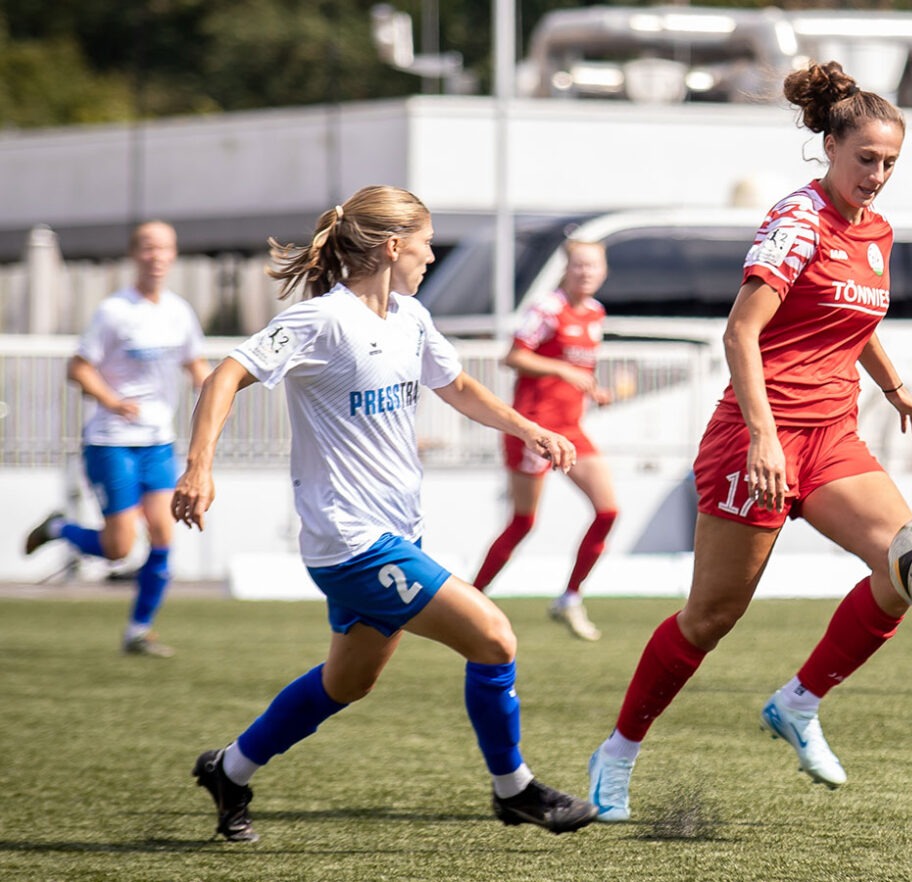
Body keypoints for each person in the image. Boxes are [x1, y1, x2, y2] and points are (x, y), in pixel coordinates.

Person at [172, 186, 596, 843]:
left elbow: (455, 385)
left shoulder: (409, 316)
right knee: (494, 638)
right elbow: (226, 373)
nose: (430, 257)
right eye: (426, 245)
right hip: (350, 540)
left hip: (396, 531)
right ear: (395, 246)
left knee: (347, 683)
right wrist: (199, 466)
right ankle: (514, 790)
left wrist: (528, 428)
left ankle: (230, 768)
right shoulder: (325, 321)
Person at [583, 61, 912, 824]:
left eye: (890, 164)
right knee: (710, 618)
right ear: (832, 147)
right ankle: (617, 751)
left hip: (833, 438)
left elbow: (855, 320)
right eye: (866, 159)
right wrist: (763, 440)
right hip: (759, 439)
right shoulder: (797, 221)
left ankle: (800, 701)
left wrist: (895, 388)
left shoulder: (876, 230)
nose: (877, 176)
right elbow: (741, 332)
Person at [23, 220, 210, 656]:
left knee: (164, 535)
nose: (157, 256)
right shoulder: (114, 311)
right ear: (134, 254)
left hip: (158, 442)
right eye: (148, 247)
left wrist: (215, 388)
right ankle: (57, 528)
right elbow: (79, 367)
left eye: (165, 248)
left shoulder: (179, 312)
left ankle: (138, 631)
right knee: (118, 547)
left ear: (173, 255)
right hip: (111, 441)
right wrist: (111, 400)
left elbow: (195, 364)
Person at [472, 239, 617, 640]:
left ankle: (570, 598)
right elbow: (513, 356)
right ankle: (471, 598)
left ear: (603, 272)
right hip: (534, 429)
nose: (586, 272)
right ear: (566, 270)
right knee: (523, 521)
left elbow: (579, 369)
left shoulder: (596, 313)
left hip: (570, 429)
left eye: (593, 266)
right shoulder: (547, 309)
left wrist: (593, 389)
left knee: (608, 511)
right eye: (579, 266)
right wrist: (563, 371)